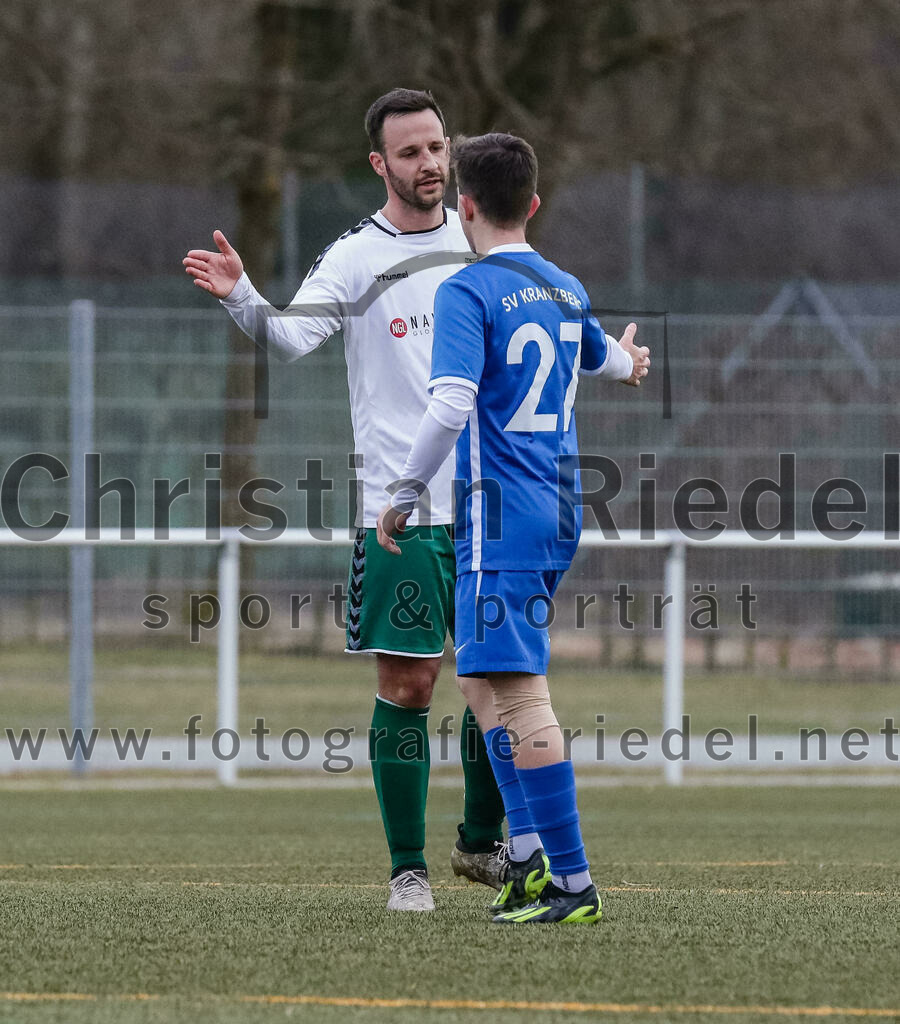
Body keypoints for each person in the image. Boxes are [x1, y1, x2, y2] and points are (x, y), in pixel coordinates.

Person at [182, 89, 506, 912]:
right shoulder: (356, 256)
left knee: (500, 683)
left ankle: (479, 843)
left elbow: (542, 316)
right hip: (402, 517)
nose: (429, 163)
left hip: (492, 508)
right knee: (409, 688)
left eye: (436, 147)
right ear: (379, 164)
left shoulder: (482, 239)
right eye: (410, 153)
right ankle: (409, 871)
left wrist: (609, 354)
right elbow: (291, 338)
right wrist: (242, 297)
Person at [377, 132, 650, 923]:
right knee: (478, 680)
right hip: (555, 507)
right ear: (531, 205)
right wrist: (630, 363)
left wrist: (400, 492)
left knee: (521, 693)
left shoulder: (469, 290)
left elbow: (453, 402)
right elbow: (606, 360)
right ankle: (527, 860)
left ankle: (572, 879)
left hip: (502, 517)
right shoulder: (562, 286)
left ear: (464, 207)